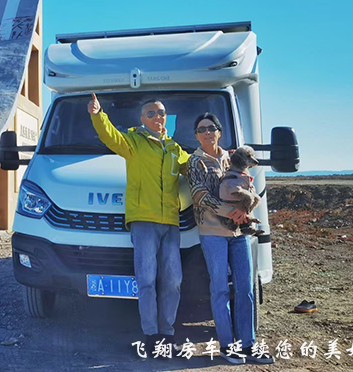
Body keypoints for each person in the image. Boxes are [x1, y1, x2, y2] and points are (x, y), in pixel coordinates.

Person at [88, 93, 188, 355]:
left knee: (173, 280)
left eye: (161, 112)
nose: (157, 117)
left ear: (166, 117)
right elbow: (111, 136)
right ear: (142, 118)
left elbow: (195, 167)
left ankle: (167, 333)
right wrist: (98, 115)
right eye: (151, 113)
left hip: (171, 223)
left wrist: (222, 158)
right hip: (143, 221)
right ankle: (151, 335)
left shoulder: (174, 149)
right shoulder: (134, 142)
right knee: (146, 280)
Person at [187, 112, 275, 365]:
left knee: (245, 288)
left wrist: (243, 212)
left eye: (211, 128)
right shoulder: (195, 162)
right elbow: (199, 195)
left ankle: (248, 344)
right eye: (201, 129)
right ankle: (228, 345)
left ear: (219, 132)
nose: (207, 132)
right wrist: (232, 212)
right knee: (220, 289)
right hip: (213, 232)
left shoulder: (232, 158)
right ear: (196, 135)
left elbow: (246, 186)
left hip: (239, 231)